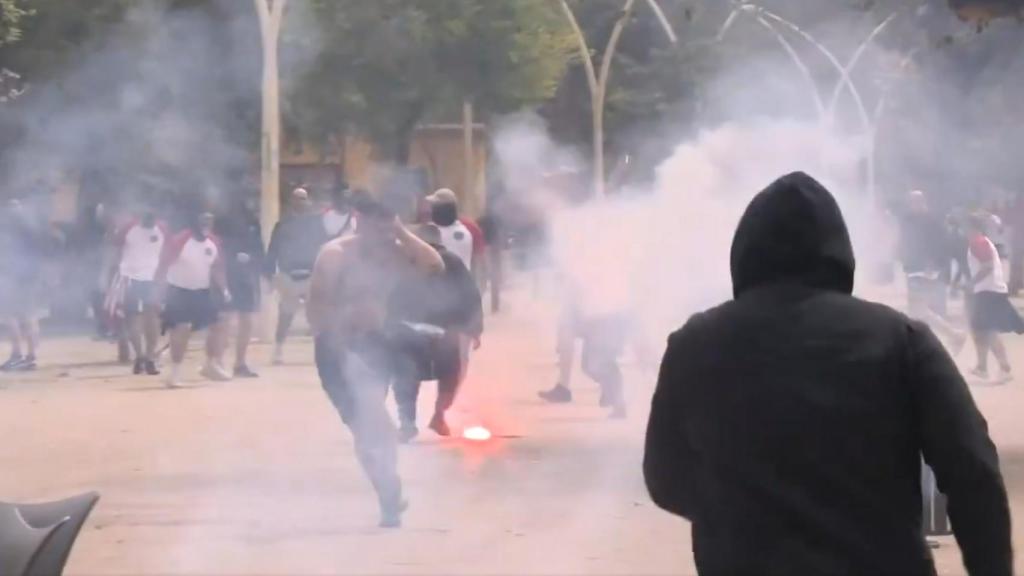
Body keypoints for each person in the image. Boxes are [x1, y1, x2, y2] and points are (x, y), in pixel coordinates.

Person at [644, 172, 1011, 576]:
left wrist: (740, 509)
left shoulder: (695, 344)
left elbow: (664, 477)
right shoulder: (901, 340)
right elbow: (973, 472)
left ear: (745, 251)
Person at [307, 192, 444, 528]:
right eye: (377, 228)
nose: (383, 237)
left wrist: (401, 232)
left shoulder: (395, 254)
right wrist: (342, 337)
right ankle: (387, 490)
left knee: (371, 431)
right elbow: (317, 309)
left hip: (376, 345)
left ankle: (386, 489)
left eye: (389, 228)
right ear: (360, 222)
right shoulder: (336, 255)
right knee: (373, 424)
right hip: (338, 350)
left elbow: (434, 265)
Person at [390, 224, 483, 442]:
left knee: (407, 377)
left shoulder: (418, 261)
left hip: (419, 330)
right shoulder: (414, 262)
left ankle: (409, 423)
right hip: (440, 330)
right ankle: (436, 416)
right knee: (446, 375)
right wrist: (473, 328)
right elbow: (471, 296)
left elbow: (469, 295)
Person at [156, 212, 231, 388]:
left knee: (219, 323)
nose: (207, 225)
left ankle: (210, 365)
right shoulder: (180, 241)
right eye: (203, 222)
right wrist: (158, 295)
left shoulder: (213, 242)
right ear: (194, 223)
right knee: (181, 329)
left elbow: (217, 268)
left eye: (210, 222)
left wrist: (225, 289)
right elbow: (163, 266)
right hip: (178, 291)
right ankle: (174, 374)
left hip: (202, 292)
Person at [265, 188, 330, 364]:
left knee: (317, 317)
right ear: (291, 202)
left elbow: (326, 247)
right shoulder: (282, 225)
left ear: (308, 201)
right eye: (296, 199)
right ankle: (278, 349)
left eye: (303, 199)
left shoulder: (317, 224)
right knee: (285, 315)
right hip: (288, 276)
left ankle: (323, 352)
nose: (300, 202)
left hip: (311, 275)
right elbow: (273, 251)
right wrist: (269, 275)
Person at [898, 189, 966, 353]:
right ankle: (948, 337)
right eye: (910, 201)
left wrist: (933, 265)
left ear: (922, 202)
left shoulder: (932, 221)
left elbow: (941, 245)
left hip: (925, 270)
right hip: (913, 268)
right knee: (917, 310)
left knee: (918, 309)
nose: (912, 205)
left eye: (915, 201)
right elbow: (905, 240)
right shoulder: (908, 219)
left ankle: (953, 335)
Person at [965, 212, 1024, 383]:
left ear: (973, 227)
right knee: (980, 329)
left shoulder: (979, 242)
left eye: (966, 227)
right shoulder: (981, 242)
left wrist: (971, 283)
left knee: (988, 331)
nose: (964, 230)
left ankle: (1004, 368)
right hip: (988, 290)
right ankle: (982, 367)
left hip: (988, 291)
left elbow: (987, 266)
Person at [110, 206, 167, 375]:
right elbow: (116, 248)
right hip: (130, 277)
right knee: (133, 317)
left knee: (150, 318)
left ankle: (148, 358)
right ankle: (141, 357)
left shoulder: (161, 228)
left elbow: (167, 253)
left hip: (151, 278)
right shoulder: (129, 228)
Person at [217, 197, 265, 378]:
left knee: (247, 320)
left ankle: (240, 363)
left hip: (246, 277)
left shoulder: (253, 222)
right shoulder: (222, 222)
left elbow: (259, 250)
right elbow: (217, 247)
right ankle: (218, 361)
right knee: (225, 319)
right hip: (227, 274)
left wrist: (253, 260)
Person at [0, 200, 46, 371]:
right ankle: (31, 356)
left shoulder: (8, 232)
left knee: (11, 315)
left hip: (14, 276)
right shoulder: (32, 229)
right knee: (30, 316)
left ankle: (17, 355)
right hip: (31, 277)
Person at [424, 188, 484, 273]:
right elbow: (479, 261)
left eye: (434, 206)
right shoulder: (468, 229)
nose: (431, 209)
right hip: (463, 282)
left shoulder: (429, 231)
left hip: (441, 283)